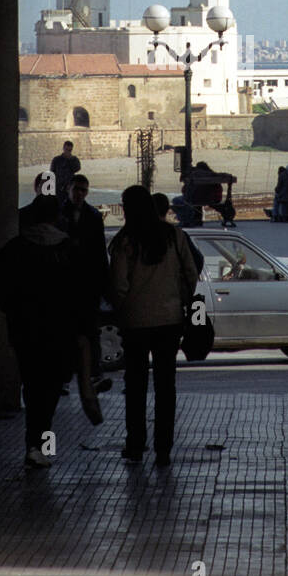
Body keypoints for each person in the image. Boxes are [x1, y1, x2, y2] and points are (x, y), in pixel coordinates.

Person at [0, 193, 87, 460]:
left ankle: (34, 442)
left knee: (31, 384)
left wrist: (13, 309)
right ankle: (40, 440)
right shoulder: (68, 250)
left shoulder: (16, 248)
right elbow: (82, 291)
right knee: (51, 386)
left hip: (25, 329)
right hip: (58, 330)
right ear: (56, 217)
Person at [109, 186, 199, 467]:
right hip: (169, 321)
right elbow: (191, 275)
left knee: (135, 387)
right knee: (165, 386)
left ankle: (136, 445)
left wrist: (120, 307)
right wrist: (179, 300)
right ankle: (163, 448)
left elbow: (119, 284)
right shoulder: (174, 236)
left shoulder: (124, 241)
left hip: (135, 323)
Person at [57, 173, 113, 408]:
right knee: (66, 334)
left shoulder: (92, 216)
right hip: (66, 285)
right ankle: (65, 377)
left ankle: (93, 374)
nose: (80, 194)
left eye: (83, 190)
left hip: (87, 285)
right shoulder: (59, 215)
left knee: (90, 332)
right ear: (68, 189)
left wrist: (103, 285)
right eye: (77, 189)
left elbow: (100, 253)